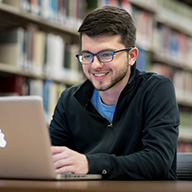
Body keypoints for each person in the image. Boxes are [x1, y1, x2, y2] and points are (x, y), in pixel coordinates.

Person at [49, 5, 180, 180]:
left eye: (106, 54)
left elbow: (158, 161)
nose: (95, 65)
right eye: (87, 55)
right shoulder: (69, 99)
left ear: (132, 56)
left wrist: (90, 164)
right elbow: (49, 157)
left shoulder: (156, 90)